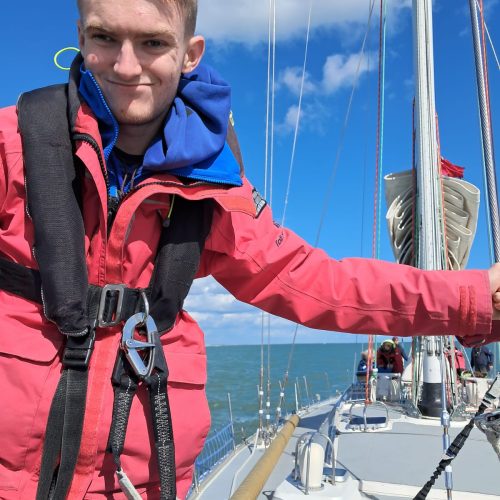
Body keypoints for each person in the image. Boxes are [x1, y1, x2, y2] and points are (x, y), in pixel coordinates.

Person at [1, 0, 500, 498]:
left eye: (153, 42)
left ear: (190, 54)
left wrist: (477, 299)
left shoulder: (213, 190)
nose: (126, 66)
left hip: (135, 484)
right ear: (81, 37)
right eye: (104, 37)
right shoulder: (15, 147)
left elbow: (321, 283)